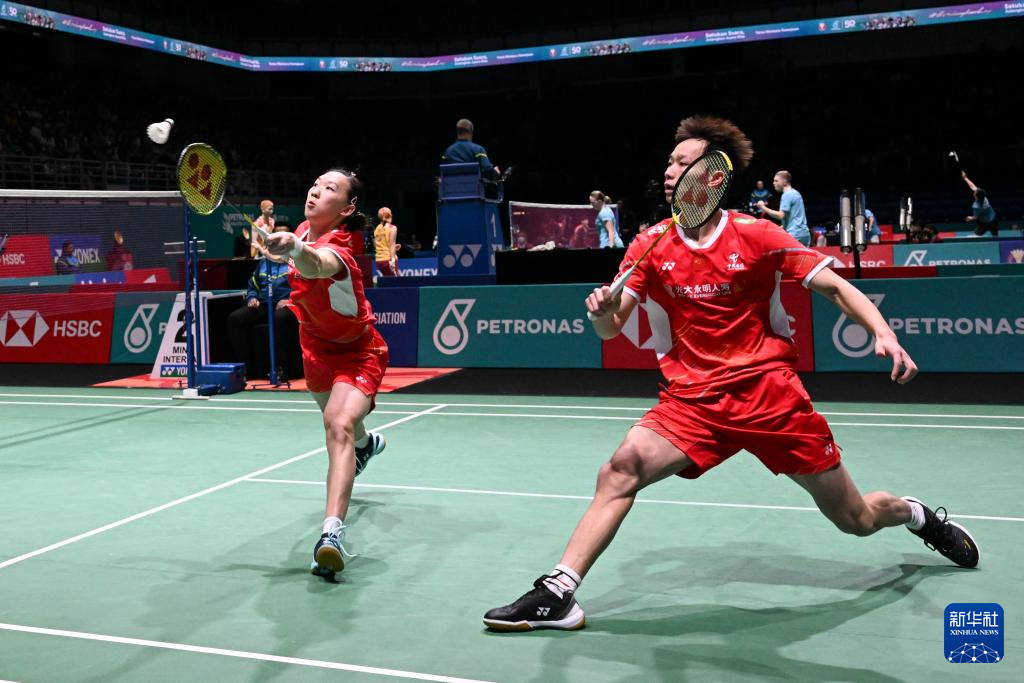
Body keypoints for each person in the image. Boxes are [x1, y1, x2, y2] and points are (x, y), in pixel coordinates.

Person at [483, 115, 978, 633]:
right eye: (669, 162)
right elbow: (611, 330)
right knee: (621, 469)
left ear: (713, 175)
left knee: (856, 520)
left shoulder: (757, 234)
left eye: (682, 162)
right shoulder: (651, 243)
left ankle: (915, 515)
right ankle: (558, 592)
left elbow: (833, 286)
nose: (669, 170)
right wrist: (601, 313)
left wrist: (884, 332)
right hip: (693, 402)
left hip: (770, 399)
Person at [263, 168, 389, 579]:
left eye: (330, 189)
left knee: (337, 424)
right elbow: (300, 255)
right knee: (341, 426)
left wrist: (295, 248)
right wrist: (285, 246)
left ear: (347, 208)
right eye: (316, 184)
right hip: (315, 349)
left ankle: (330, 535)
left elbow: (317, 264)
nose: (316, 191)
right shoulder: (304, 229)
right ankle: (366, 446)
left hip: (357, 353)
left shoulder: (341, 250)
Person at [226, 222, 297, 380]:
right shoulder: (264, 262)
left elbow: (305, 287)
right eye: (275, 236)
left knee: (280, 318)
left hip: (289, 306)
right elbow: (253, 285)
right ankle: (247, 370)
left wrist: (290, 300)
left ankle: (282, 369)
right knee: (235, 318)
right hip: (265, 304)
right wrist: (252, 297)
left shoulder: (295, 262)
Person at [758, 170, 811, 246]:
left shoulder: (787, 195)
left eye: (776, 181)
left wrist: (763, 207)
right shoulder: (796, 193)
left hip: (794, 234)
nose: (773, 183)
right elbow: (792, 217)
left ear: (785, 182)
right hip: (804, 233)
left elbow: (780, 215)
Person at [961, 171, 998, 236]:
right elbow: (973, 186)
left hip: (985, 223)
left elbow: (975, 217)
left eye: (975, 192)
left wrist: (969, 218)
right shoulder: (984, 197)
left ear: (976, 196)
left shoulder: (976, 206)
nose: (974, 191)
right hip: (993, 219)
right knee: (995, 236)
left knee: (976, 235)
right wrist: (965, 178)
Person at [373, 207, 399, 277]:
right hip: (389, 260)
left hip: (379, 261)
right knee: (397, 282)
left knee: (388, 281)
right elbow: (392, 245)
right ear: (389, 215)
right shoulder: (392, 228)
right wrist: (393, 260)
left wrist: (394, 247)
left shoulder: (377, 229)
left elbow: (376, 245)